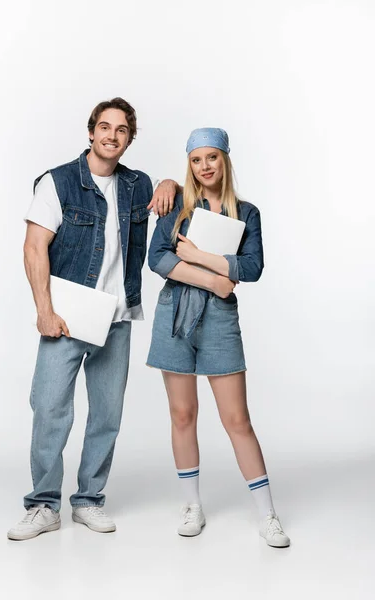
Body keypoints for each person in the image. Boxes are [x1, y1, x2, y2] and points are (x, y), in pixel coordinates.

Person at [8, 98, 179, 541]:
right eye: (105, 127)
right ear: (91, 131)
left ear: (129, 138)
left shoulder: (138, 185)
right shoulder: (58, 182)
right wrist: (44, 311)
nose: (112, 136)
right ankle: (44, 504)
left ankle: (88, 500)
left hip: (116, 318)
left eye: (122, 130)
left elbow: (177, 196)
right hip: (66, 316)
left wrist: (171, 183)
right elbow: (33, 248)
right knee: (49, 409)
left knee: (106, 414)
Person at [147, 127, 290, 547]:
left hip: (220, 323)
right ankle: (191, 505)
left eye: (212, 157)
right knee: (182, 415)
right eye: (196, 159)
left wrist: (197, 257)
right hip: (174, 315)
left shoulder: (247, 213)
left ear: (225, 160)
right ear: (188, 165)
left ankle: (267, 514)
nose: (204, 166)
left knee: (237, 420)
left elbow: (252, 267)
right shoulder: (177, 208)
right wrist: (215, 280)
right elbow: (157, 258)